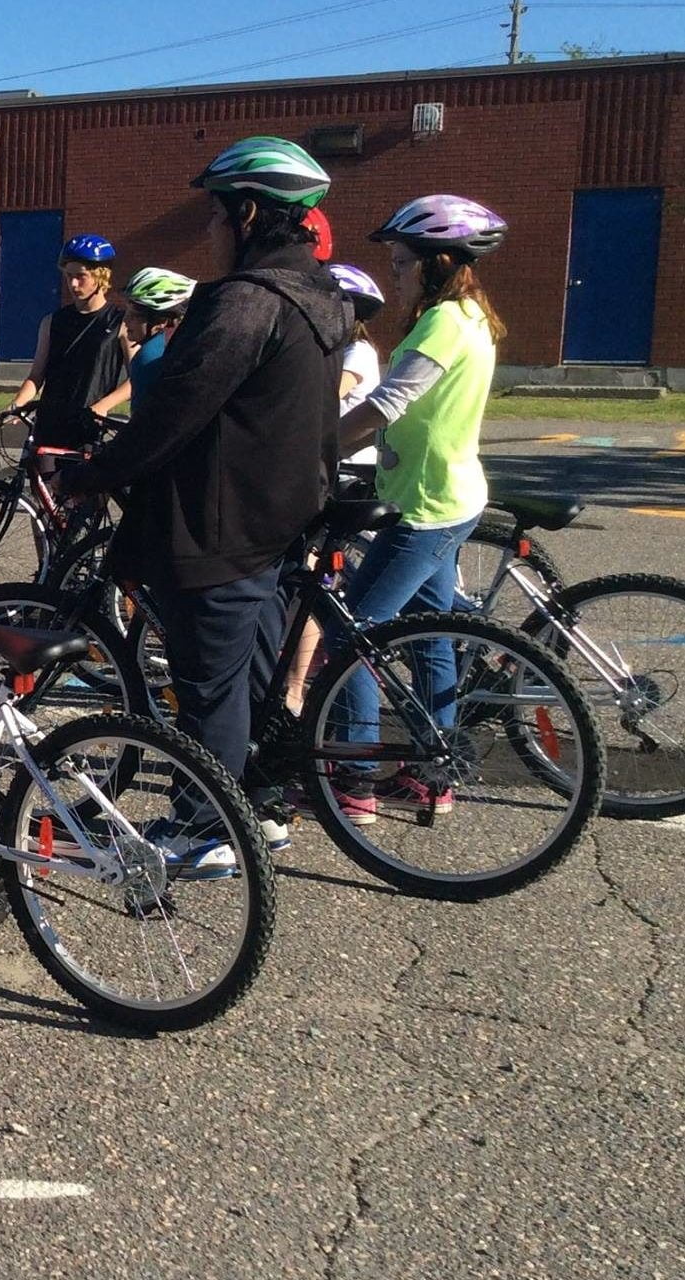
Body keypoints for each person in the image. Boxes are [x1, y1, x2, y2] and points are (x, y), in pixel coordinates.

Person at [57, 136, 351, 868]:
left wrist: (94, 472)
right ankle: (257, 811)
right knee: (252, 682)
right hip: (281, 521)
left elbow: (175, 411)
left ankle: (203, 828)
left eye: (217, 217)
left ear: (246, 213)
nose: (212, 232)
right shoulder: (321, 295)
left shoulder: (247, 302)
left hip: (222, 526)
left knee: (209, 689)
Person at [331, 194, 509, 824]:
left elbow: (388, 403)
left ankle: (353, 779)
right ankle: (434, 774)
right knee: (429, 633)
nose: (397, 274)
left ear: (440, 262)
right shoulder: (470, 316)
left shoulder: (444, 323)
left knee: (353, 636)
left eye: (404, 263)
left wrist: (317, 448)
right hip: (448, 496)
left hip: (425, 506)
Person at [281, 259, 391, 714]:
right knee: (318, 578)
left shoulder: (356, 353)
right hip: (331, 469)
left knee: (309, 578)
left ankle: (295, 688)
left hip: (349, 475)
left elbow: (322, 397)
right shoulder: (336, 351)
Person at [11, 233, 131, 453]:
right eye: (68, 276)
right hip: (48, 427)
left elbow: (135, 380)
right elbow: (36, 375)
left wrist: (103, 406)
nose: (73, 284)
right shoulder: (52, 321)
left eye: (81, 276)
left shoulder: (120, 322)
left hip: (88, 429)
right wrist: (17, 404)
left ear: (101, 276)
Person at [328, 262, 388, 484]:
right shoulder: (336, 352)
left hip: (348, 469)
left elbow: (329, 395)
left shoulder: (358, 351)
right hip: (329, 464)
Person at [118, 267, 195, 400]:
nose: (126, 320)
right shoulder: (180, 349)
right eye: (127, 312)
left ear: (161, 321)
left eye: (135, 315)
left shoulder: (148, 359)